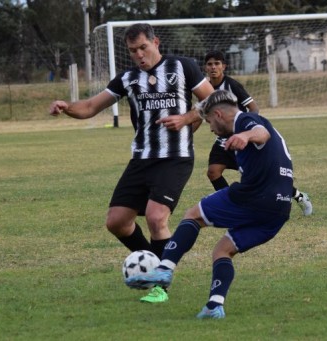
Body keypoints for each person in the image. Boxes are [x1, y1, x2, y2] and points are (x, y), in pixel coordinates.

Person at [49, 23, 214, 303]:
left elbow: (215, 99)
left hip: (174, 158)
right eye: (133, 50)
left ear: (155, 42)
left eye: (143, 48)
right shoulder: (127, 78)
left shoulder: (183, 67)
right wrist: (68, 108)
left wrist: (186, 119)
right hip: (141, 159)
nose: (139, 55)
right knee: (117, 222)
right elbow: (90, 106)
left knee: (155, 216)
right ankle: (154, 262)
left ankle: (161, 285)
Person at [126, 89, 295, 319]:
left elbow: (261, 133)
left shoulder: (245, 120)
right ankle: (215, 306)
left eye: (208, 122)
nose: (211, 128)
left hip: (255, 196)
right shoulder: (253, 124)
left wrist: (246, 136)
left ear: (218, 114)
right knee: (222, 250)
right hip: (279, 210)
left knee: (193, 215)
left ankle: (164, 270)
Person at [203, 50, 312, 215]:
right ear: (205, 67)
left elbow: (253, 108)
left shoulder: (232, 85)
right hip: (223, 140)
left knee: (264, 176)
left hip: (243, 138)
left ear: (224, 66)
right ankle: (230, 205)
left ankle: (299, 196)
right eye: (210, 64)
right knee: (213, 172)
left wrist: (244, 128)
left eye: (217, 63)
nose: (213, 67)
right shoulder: (204, 88)